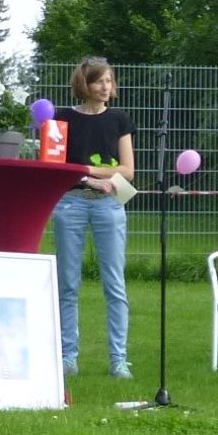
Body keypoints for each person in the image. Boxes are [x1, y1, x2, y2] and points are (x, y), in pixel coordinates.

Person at [51, 57, 137, 378]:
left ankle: (119, 359)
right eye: (99, 81)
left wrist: (85, 170)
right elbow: (55, 166)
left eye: (109, 81)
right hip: (70, 203)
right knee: (67, 284)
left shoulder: (119, 120)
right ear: (83, 84)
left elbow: (127, 171)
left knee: (114, 284)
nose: (105, 87)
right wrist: (89, 180)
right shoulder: (61, 120)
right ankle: (67, 356)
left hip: (110, 203)